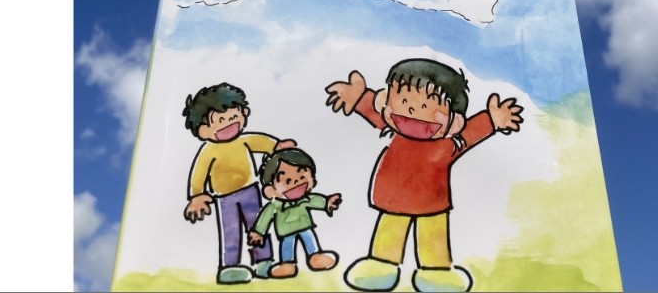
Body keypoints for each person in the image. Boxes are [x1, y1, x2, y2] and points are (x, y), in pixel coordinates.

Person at [325, 58, 523, 293]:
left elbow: (469, 134)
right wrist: (358, 98)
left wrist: (492, 120)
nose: (411, 111)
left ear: (454, 120)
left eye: (427, 107)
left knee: (433, 239)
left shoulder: (447, 146)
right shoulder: (395, 131)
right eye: (403, 101)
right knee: (389, 234)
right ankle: (381, 265)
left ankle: (436, 272)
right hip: (393, 199)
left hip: (432, 204)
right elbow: (374, 114)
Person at [182, 82, 294, 284]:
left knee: (258, 226)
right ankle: (230, 267)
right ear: (203, 130)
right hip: (224, 199)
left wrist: (277, 147)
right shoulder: (208, 151)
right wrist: (197, 195)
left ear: (244, 113)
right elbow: (199, 174)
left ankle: (264, 261)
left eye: (233, 117)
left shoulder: (244, 140)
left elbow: (262, 142)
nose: (228, 124)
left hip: (250, 191)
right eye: (220, 120)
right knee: (231, 231)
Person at [247, 147, 342, 278]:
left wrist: (328, 203)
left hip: (305, 226)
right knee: (287, 247)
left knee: (310, 241)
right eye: (287, 181)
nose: (296, 183)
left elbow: (315, 200)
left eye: (302, 176)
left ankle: (315, 256)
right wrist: (258, 232)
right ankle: (287, 264)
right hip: (286, 232)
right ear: (270, 189)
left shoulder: (305, 199)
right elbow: (265, 217)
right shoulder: (276, 205)